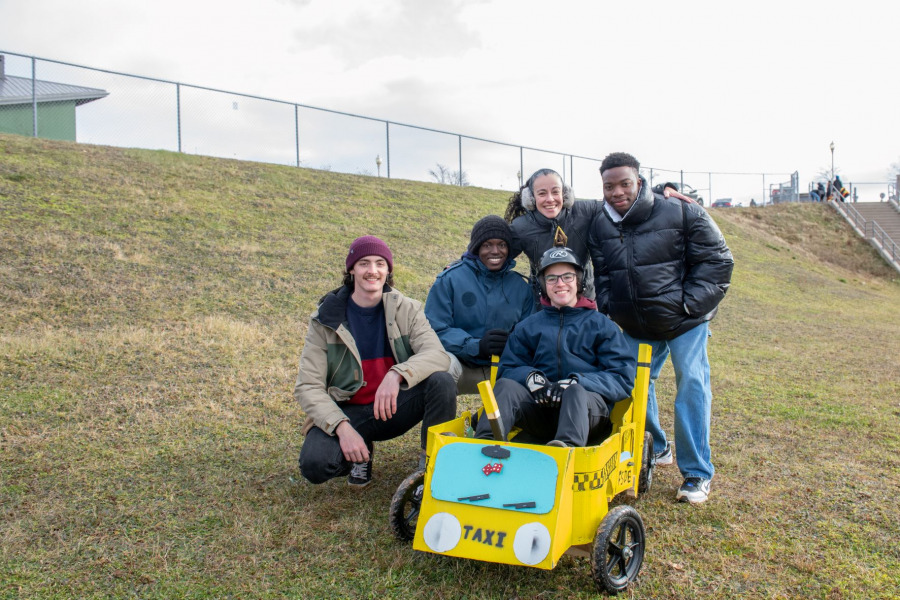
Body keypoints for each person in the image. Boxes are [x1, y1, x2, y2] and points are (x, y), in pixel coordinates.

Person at [589, 152, 734, 504]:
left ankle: (697, 473)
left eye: (625, 183)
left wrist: (688, 305)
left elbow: (718, 261)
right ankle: (658, 446)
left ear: (639, 181)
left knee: (692, 386)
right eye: (609, 186)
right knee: (636, 389)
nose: (617, 192)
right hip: (637, 324)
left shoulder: (681, 210)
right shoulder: (600, 222)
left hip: (685, 322)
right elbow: (602, 272)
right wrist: (611, 306)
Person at [294, 235, 457, 488]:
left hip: (392, 406)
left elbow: (437, 355)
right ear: (351, 269)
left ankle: (433, 465)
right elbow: (307, 386)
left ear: (388, 270)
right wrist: (342, 428)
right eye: (364, 263)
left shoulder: (407, 308)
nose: (373, 271)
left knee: (442, 381)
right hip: (348, 411)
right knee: (315, 464)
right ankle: (359, 453)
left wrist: (397, 374)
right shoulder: (325, 319)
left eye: (380, 263)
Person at [473, 247, 636, 447]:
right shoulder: (528, 327)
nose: (560, 284)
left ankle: (565, 450)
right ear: (543, 285)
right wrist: (530, 377)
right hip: (540, 411)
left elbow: (622, 377)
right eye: (551, 278)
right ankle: (483, 446)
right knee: (506, 386)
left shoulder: (602, 326)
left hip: (587, 414)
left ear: (579, 281)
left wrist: (578, 382)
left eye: (567, 277)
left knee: (575, 392)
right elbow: (507, 369)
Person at [505, 168, 693, 308]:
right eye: (542, 193)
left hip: (585, 300)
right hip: (544, 305)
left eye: (555, 191)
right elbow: (497, 258)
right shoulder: (521, 227)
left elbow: (621, 201)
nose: (550, 199)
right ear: (530, 198)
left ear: (565, 193)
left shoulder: (584, 211)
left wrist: (662, 190)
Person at [425, 215, 534, 394]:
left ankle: (501, 422)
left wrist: (511, 344)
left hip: (504, 368)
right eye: (487, 245)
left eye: (502, 244)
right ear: (476, 248)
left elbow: (529, 334)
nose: (495, 251)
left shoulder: (521, 287)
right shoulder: (449, 280)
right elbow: (434, 329)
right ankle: (439, 423)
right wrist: (476, 346)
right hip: (461, 364)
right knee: (439, 372)